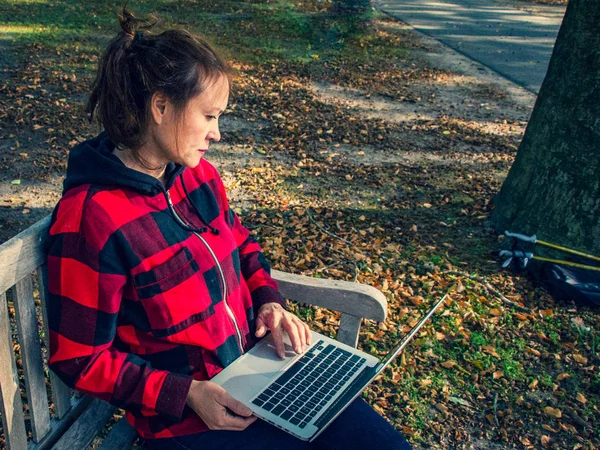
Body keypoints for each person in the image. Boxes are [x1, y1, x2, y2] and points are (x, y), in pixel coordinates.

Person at [45, 8, 412, 450]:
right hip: (191, 421)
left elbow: (242, 245)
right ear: (161, 106)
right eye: (209, 116)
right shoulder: (93, 219)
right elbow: (80, 359)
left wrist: (268, 303)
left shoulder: (196, 177)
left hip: (259, 374)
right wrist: (189, 394)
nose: (216, 133)